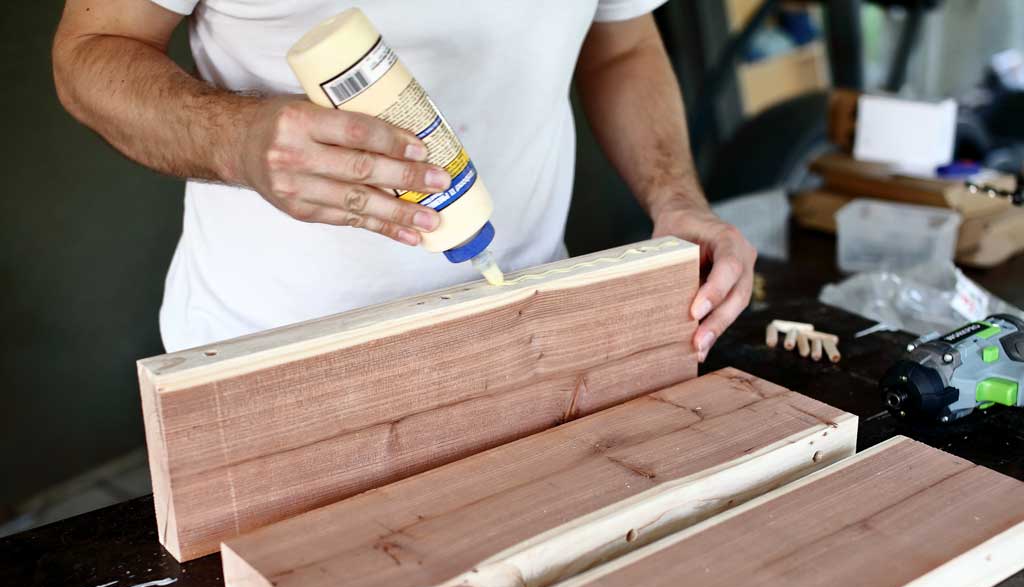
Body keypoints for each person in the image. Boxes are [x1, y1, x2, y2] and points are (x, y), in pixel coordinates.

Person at [53, 0, 756, 358]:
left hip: (526, 328)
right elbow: (88, 52)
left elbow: (623, 45)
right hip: (272, 357)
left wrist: (678, 199)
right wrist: (237, 139)